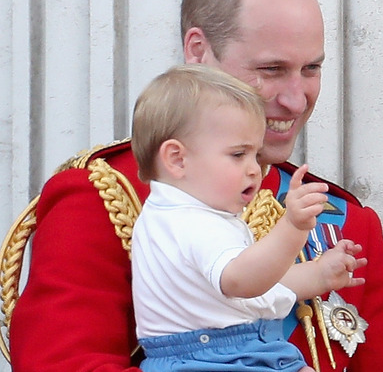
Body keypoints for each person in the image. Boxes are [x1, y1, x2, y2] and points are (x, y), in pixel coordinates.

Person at [10, 0, 383, 372]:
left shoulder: (346, 222)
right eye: (271, 69)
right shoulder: (103, 199)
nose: (296, 100)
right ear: (198, 51)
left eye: (311, 68)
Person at [130, 64, 365, 371]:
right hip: (216, 356)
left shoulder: (170, 214)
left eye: (256, 154)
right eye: (238, 154)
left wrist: (318, 275)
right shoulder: (194, 223)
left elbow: (261, 283)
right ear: (177, 159)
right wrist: (292, 227)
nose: (255, 168)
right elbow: (242, 281)